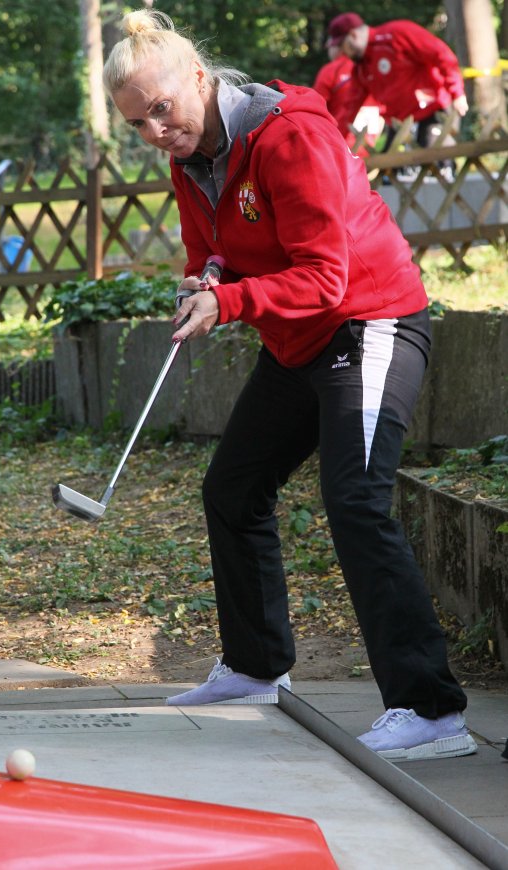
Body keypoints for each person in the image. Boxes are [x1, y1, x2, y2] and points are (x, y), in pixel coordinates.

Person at [102, 9, 477, 761]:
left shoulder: (290, 134)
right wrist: (205, 278)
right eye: (136, 123)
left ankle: (431, 710)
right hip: (299, 339)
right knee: (233, 490)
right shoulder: (192, 162)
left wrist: (229, 300)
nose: (154, 132)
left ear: (199, 80)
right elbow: (213, 251)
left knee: (356, 498)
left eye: (161, 109)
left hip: (370, 323)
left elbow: (326, 276)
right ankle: (253, 668)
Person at [325, 12, 468, 153]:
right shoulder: (361, 69)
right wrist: (331, 140)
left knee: (438, 160)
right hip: (399, 122)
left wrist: (457, 93)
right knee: (389, 168)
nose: (343, 53)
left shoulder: (396, 35)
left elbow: (441, 54)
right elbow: (349, 109)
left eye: (342, 46)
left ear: (353, 35)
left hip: (433, 111)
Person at [313, 45, 383, 153]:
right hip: (368, 152)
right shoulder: (373, 70)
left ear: (338, 46)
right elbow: (382, 115)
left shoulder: (330, 70)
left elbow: (315, 109)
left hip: (336, 149)